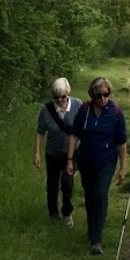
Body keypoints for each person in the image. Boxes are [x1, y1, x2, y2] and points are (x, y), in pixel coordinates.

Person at [66, 76, 127, 255]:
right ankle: (92, 227)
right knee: (90, 195)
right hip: (86, 160)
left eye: (106, 94)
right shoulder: (85, 110)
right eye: (99, 95)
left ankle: (96, 239)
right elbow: (74, 135)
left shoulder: (116, 113)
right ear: (93, 95)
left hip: (106, 161)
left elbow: (122, 142)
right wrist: (69, 159)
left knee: (100, 194)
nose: (103, 99)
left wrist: (123, 168)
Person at [34, 77, 81, 226]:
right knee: (52, 185)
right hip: (53, 153)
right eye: (56, 97)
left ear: (68, 93)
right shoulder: (46, 110)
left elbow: (83, 128)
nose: (60, 100)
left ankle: (67, 212)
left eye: (63, 96)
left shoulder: (77, 105)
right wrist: (37, 153)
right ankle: (53, 216)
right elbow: (40, 132)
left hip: (71, 154)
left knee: (67, 183)